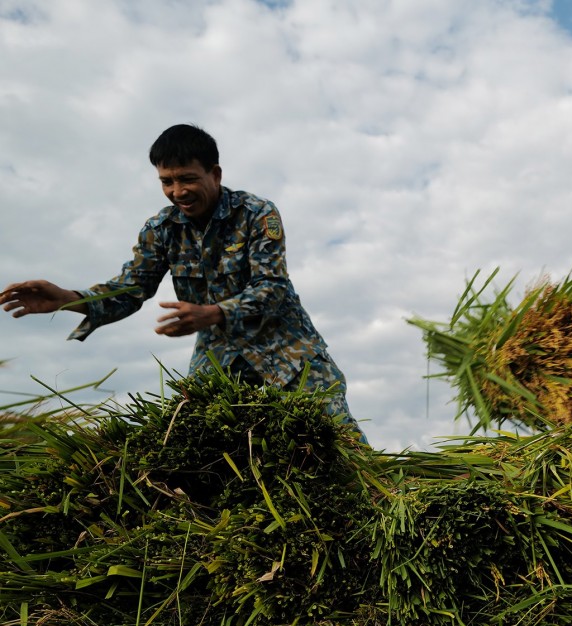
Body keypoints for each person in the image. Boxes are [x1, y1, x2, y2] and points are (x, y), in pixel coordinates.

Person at [1, 124, 362, 437]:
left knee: (336, 439)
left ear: (215, 174)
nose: (178, 191)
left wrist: (213, 312)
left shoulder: (256, 213)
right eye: (167, 182)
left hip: (287, 351)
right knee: (191, 445)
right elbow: (131, 288)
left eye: (188, 178)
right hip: (219, 361)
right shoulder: (160, 230)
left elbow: (273, 288)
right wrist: (68, 298)